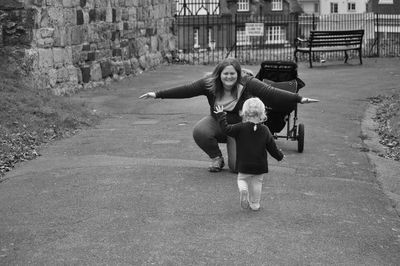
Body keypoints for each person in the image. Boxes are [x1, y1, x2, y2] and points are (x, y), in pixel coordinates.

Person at [139, 58, 318, 172]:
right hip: (218, 122)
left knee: (236, 169)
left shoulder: (248, 83)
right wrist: (157, 94)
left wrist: (299, 98)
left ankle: (244, 152)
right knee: (200, 131)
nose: (229, 77)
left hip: (240, 128)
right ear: (219, 74)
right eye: (226, 74)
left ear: (238, 74)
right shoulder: (208, 84)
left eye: (233, 74)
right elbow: (186, 90)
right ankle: (216, 158)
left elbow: (271, 93)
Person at [214, 97, 283, 211]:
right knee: (257, 183)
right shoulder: (265, 130)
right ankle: (255, 204)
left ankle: (243, 190)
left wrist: (221, 115)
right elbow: (272, 148)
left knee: (242, 180)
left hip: (244, 163)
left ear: (244, 112)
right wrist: (279, 156)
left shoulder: (240, 128)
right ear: (262, 113)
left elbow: (226, 129)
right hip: (259, 165)